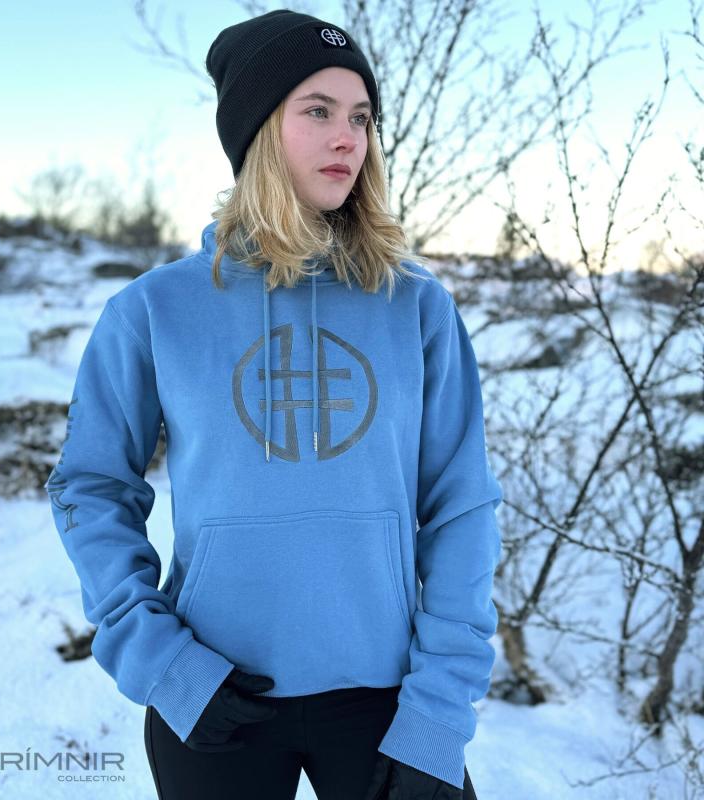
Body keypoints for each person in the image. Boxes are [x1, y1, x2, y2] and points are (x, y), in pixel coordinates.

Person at [43, 8, 503, 800]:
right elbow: (90, 488)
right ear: (257, 130)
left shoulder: (416, 307)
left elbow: (462, 508)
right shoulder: (154, 310)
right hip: (216, 698)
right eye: (317, 111)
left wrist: (440, 710)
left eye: (360, 117)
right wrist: (161, 661)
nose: (347, 138)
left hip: (389, 700)